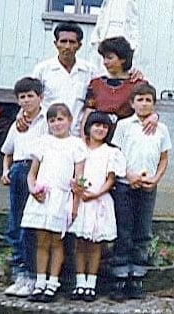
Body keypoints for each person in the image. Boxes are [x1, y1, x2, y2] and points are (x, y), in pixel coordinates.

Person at [17, 22, 143, 137]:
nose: (67, 46)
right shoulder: (42, 70)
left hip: (77, 136)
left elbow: (115, 77)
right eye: (63, 41)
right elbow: (29, 97)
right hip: (47, 134)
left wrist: (134, 72)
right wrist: (21, 114)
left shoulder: (90, 71)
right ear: (56, 44)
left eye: (72, 42)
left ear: (79, 45)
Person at [110, 83, 172, 301]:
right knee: (124, 229)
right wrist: (129, 174)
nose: (144, 104)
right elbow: (116, 155)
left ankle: (137, 276)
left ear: (154, 104)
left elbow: (164, 158)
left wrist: (155, 179)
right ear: (132, 103)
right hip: (125, 185)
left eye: (148, 100)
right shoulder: (125, 125)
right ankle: (119, 276)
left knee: (142, 230)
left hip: (148, 186)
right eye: (140, 100)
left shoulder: (161, 129)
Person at [20, 103, 87, 303]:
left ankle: (53, 282)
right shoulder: (43, 142)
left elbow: (80, 178)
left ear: (70, 121)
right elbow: (32, 174)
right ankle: (40, 281)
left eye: (60, 119)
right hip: (42, 197)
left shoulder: (77, 145)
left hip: (61, 198)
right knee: (41, 241)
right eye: (52, 120)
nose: (57, 123)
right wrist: (33, 189)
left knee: (57, 241)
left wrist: (74, 205)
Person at [69, 111, 126, 302]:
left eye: (104, 126)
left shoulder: (111, 152)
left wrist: (97, 193)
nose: (100, 129)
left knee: (94, 244)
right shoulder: (79, 149)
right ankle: (79, 282)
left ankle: (90, 284)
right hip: (80, 199)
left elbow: (110, 179)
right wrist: (78, 191)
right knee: (80, 243)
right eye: (96, 125)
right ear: (89, 127)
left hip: (99, 199)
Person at [1, 77, 48, 297]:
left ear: (41, 97)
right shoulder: (17, 124)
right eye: (22, 97)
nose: (27, 100)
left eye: (31, 96)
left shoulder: (49, 120)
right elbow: (8, 152)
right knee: (16, 221)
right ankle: (20, 272)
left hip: (39, 171)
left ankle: (33, 275)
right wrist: (5, 171)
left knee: (34, 222)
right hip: (18, 170)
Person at [81, 36, 158, 141]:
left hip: (128, 138)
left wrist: (155, 117)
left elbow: (147, 109)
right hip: (100, 138)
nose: (105, 62)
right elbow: (88, 113)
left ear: (122, 59)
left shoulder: (138, 84)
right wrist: (84, 138)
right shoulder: (96, 84)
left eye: (110, 58)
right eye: (104, 58)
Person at [90, 0, 140, 72]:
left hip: (121, 35)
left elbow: (133, 25)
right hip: (106, 35)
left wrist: (132, 45)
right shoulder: (107, 2)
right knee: (102, 65)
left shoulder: (129, 2)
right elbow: (101, 21)